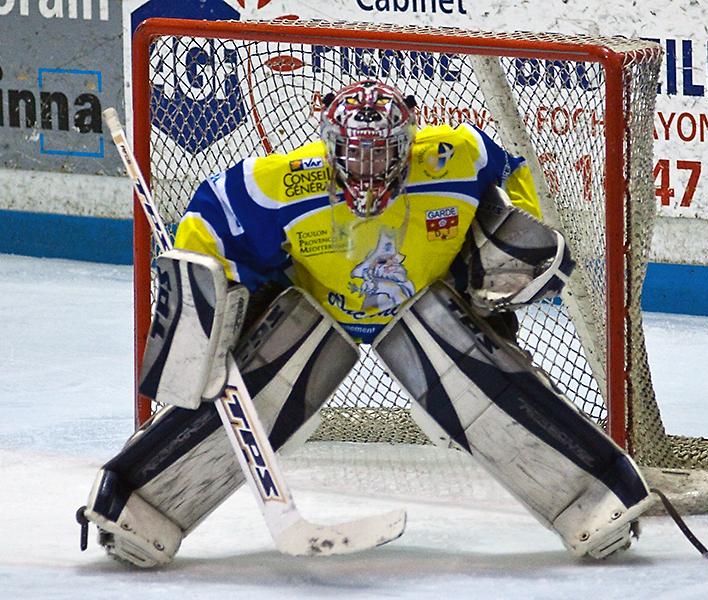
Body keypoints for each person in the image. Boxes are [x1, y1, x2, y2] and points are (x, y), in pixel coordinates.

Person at [77, 80, 654, 567]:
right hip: (317, 309)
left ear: (409, 143)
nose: (369, 169)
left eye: (383, 154)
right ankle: (138, 507)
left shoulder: (457, 155)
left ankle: (597, 499)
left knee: (485, 382)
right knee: (249, 388)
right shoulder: (282, 182)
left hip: (423, 305)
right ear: (328, 144)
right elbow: (205, 226)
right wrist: (209, 309)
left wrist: (510, 237)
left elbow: (512, 172)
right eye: (355, 155)